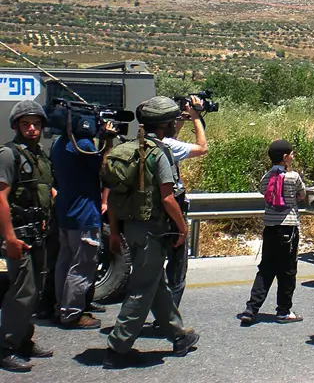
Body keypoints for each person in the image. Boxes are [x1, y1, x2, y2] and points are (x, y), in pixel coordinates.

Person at [104, 96, 199, 369]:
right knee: (142, 288)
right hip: (151, 233)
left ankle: (178, 336)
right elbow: (168, 198)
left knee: (156, 284)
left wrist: (113, 232)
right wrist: (182, 229)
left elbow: (112, 197)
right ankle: (117, 348)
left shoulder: (127, 149)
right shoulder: (158, 153)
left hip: (131, 229)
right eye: (173, 122)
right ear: (165, 125)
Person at [0, 101, 54, 373]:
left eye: (36, 124)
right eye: (25, 124)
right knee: (21, 294)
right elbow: (0, 197)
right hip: (18, 234)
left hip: (37, 232)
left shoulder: (38, 155)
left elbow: (43, 189)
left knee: (34, 293)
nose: (32, 129)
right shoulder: (9, 155)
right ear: (16, 127)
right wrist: (9, 238)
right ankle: (6, 348)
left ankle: (24, 340)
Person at [51, 118, 115, 330]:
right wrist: (108, 142)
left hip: (65, 212)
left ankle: (61, 306)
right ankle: (72, 313)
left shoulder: (60, 143)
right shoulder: (84, 145)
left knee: (65, 261)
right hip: (84, 215)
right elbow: (104, 170)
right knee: (83, 265)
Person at [239, 139, 306, 325]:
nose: (292, 156)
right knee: (287, 270)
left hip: (270, 226)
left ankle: (251, 309)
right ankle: (283, 311)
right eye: (291, 154)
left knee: (266, 268)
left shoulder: (267, 176)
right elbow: (302, 195)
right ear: (285, 158)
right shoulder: (293, 177)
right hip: (289, 227)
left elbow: (263, 191)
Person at [155, 95, 208, 318]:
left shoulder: (148, 142)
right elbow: (202, 148)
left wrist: (180, 119)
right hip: (171, 215)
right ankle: (169, 318)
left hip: (150, 217)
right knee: (176, 270)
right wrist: (197, 118)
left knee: (152, 269)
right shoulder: (169, 145)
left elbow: (170, 140)